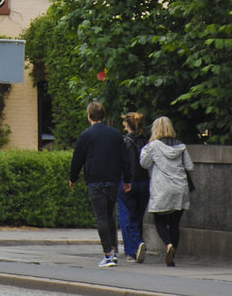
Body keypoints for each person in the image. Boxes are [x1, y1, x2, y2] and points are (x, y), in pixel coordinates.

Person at [69, 101, 130, 267]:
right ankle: (114, 250)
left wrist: (73, 178)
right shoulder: (115, 134)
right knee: (110, 215)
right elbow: (124, 158)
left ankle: (108, 254)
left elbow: (77, 159)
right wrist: (127, 179)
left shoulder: (86, 135)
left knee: (101, 217)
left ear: (89, 116)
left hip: (95, 180)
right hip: (113, 180)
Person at [140, 115, 193, 267]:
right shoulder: (180, 146)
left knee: (159, 219)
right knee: (175, 222)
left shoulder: (154, 146)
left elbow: (144, 163)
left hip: (162, 187)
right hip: (180, 188)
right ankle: (173, 255)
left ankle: (168, 244)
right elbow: (189, 166)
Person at [118, 112, 150, 263]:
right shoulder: (146, 141)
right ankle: (139, 244)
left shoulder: (125, 142)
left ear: (127, 125)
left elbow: (125, 163)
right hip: (144, 182)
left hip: (128, 181)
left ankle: (133, 249)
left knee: (126, 216)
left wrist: (125, 180)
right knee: (138, 216)